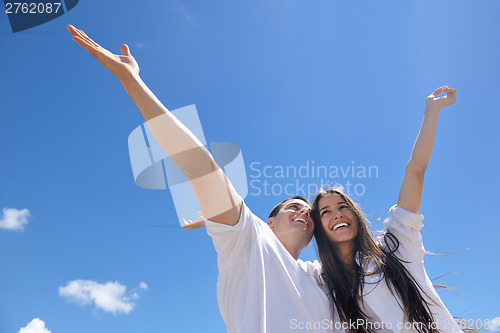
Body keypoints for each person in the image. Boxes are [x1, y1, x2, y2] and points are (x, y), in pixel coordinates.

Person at [66, 25, 334, 332]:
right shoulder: (248, 238)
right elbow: (198, 165)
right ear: (268, 222)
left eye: (310, 213)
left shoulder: (318, 277)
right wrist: (132, 82)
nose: (304, 212)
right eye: (293, 207)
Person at [310, 87, 463, 333]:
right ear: (318, 229)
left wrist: (432, 111)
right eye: (325, 212)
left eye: (342, 206)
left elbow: (415, 171)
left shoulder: (396, 245)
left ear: (356, 217)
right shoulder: (322, 283)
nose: (336, 213)